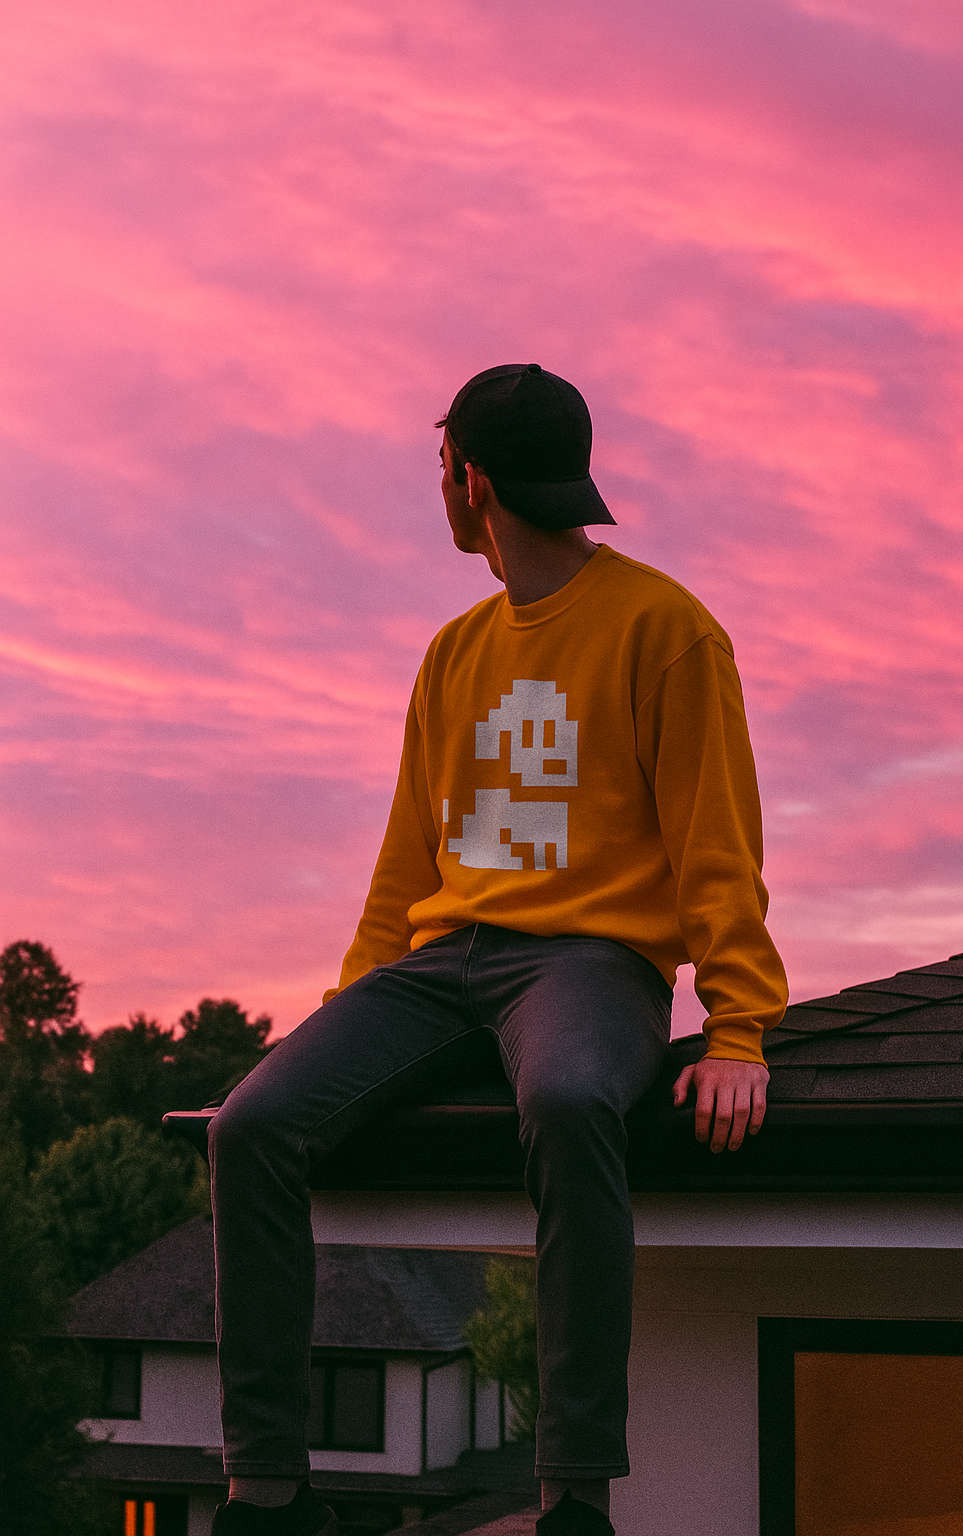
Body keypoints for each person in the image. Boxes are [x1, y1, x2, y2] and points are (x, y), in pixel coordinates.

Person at [208, 364, 789, 1536]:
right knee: (252, 1126)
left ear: (470, 481)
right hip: (437, 967)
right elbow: (405, 867)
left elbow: (714, 845)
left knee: (574, 1104)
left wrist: (737, 1030)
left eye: (440, 467)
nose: (440, 486)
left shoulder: (666, 630)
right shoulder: (453, 652)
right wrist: (344, 1018)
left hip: (588, 963)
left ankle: (572, 1493)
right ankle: (267, 1491)